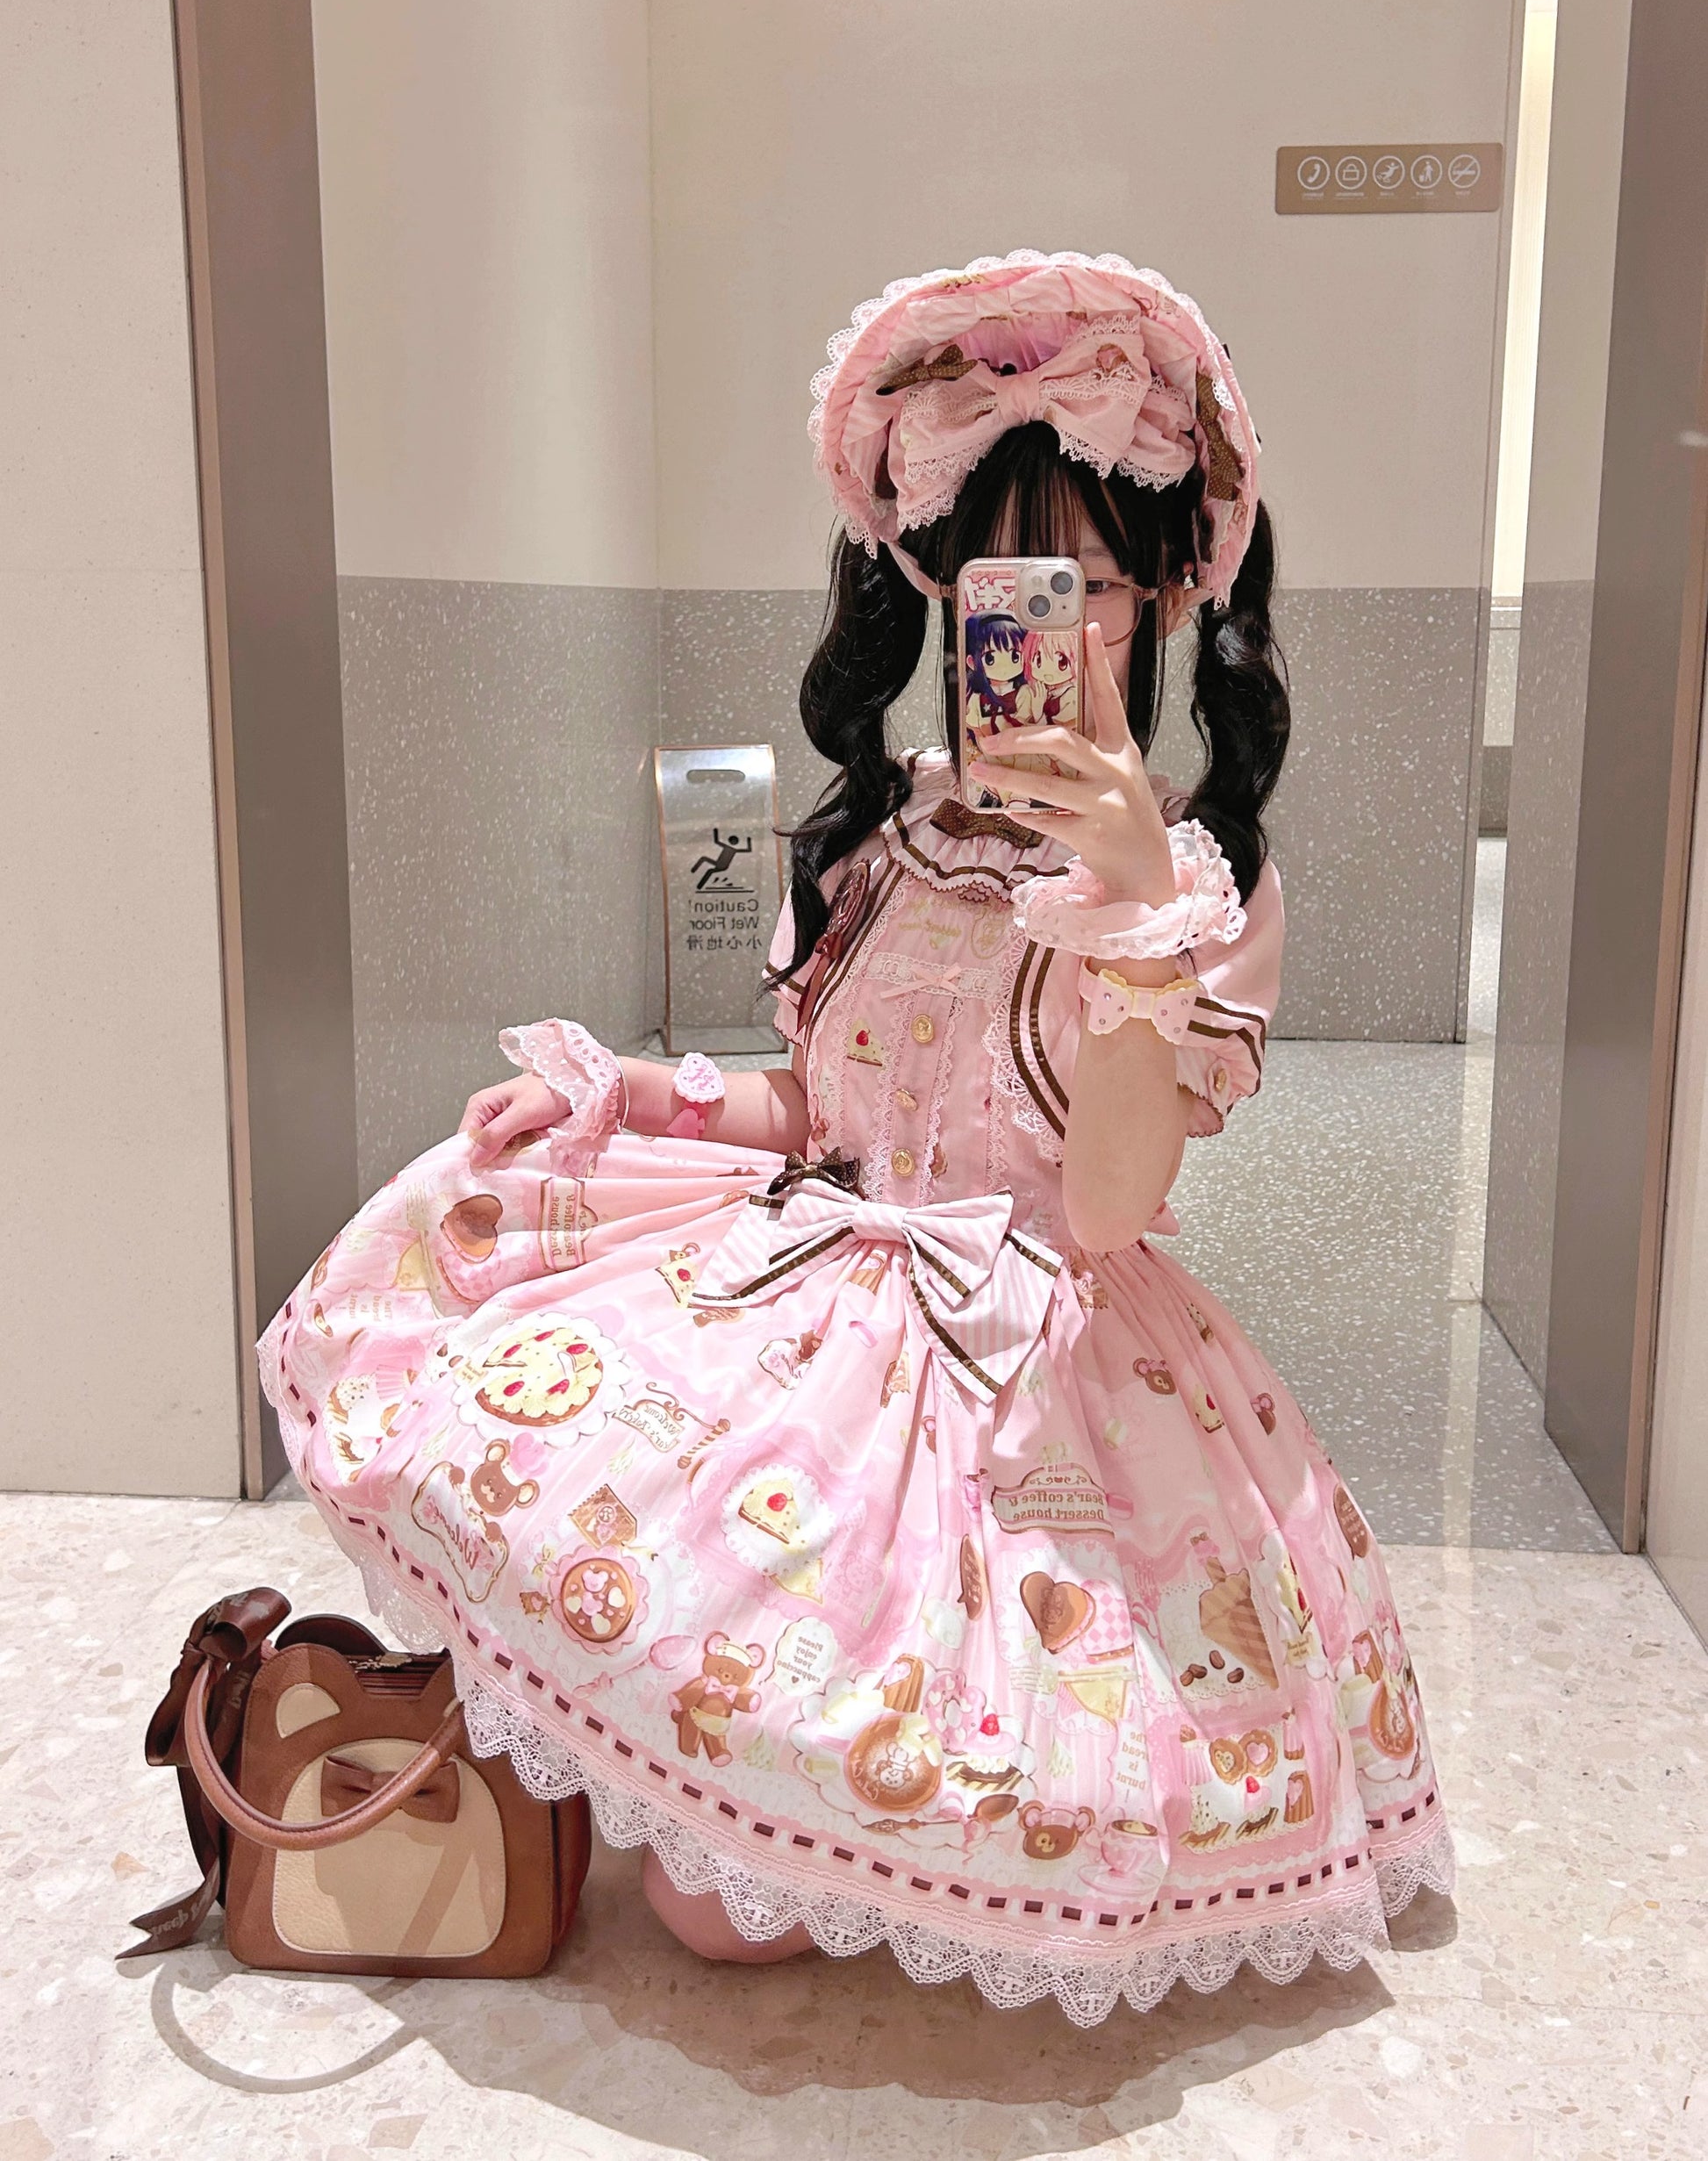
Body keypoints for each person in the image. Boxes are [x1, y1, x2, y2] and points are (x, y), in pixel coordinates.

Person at [262, 250, 1453, 2025]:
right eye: (999, 584)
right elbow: (822, 1109)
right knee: (702, 1859)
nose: (1043, 626)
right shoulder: (876, 843)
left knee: (771, 1882)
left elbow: (1110, 1205)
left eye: (1088, 584)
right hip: (817, 1302)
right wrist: (633, 1098)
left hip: (1040, 1363)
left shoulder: (1205, 888)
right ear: (935, 593)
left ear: (1164, 595)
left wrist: (1129, 908)